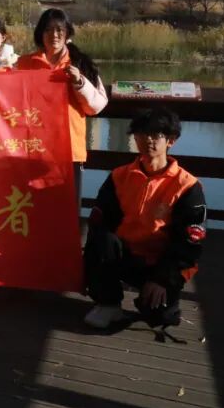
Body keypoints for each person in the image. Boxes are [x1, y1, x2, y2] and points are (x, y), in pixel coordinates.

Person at [82, 107, 207, 330]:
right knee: (100, 239)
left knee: (162, 316)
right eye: (141, 133)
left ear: (171, 141)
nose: (148, 139)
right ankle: (109, 304)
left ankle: (154, 297)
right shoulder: (119, 176)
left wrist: (163, 279)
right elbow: (100, 222)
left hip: (160, 261)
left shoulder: (188, 186)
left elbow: (189, 243)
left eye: (156, 134)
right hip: (125, 255)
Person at [15, 8, 107, 200]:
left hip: (69, 151)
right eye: (48, 30)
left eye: (59, 30)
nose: (54, 35)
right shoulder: (25, 64)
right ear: (40, 34)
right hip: (34, 149)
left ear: (67, 33)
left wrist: (79, 82)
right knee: (35, 209)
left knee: (67, 210)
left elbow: (96, 106)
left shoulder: (80, 63)